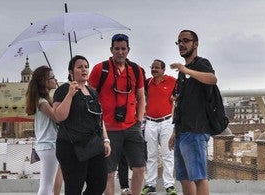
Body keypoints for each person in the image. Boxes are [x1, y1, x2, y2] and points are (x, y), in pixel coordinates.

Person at [88, 33, 147, 195]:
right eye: (117, 49)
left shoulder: (135, 70)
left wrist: (139, 121)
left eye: (123, 49)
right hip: (108, 128)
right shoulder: (101, 69)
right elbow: (90, 97)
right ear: (111, 49)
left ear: (128, 50)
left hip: (131, 126)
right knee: (109, 172)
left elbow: (141, 97)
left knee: (140, 168)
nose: (120, 52)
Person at [53, 55, 112, 195]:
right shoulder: (63, 90)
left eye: (86, 67)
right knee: (74, 188)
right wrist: (69, 95)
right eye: (79, 67)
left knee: (99, 183)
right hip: (71, 146)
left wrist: (106, 139)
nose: (84, 70)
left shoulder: (92, 91)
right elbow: (59, 117)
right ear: (71, 72)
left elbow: (99, 118)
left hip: (93, 144)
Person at [168, 30, 217, 195]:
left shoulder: (200, 63)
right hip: (183, 132)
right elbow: (181, 103)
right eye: (179, 41)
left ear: (195, 44)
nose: (181, 44)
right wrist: (175, 132)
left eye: (186, 41)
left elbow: (212, 79)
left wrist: (186, 70)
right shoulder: (183, 72)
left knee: (198, 177)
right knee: (184, 178)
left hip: (196, 130)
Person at [25, 65, 65, 195]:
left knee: (49, 183)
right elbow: (57, 118)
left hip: (48, 145)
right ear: (44, 81)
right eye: (52, 77)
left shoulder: (44, 100)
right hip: (49, 145)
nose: (55, 79)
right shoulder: (42, 102)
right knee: (47, 184)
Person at [142, 59, 177, 195]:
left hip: (166, 121)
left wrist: (175, 97)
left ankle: (169, 185)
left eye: (157, 68)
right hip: (150, 122)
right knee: (151, 155)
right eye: (152, 67)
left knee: (168, 154)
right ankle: (150, 185)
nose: (154, 69)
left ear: (163, 70)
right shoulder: (147, 82)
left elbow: (179, 93)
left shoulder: (172, 81)